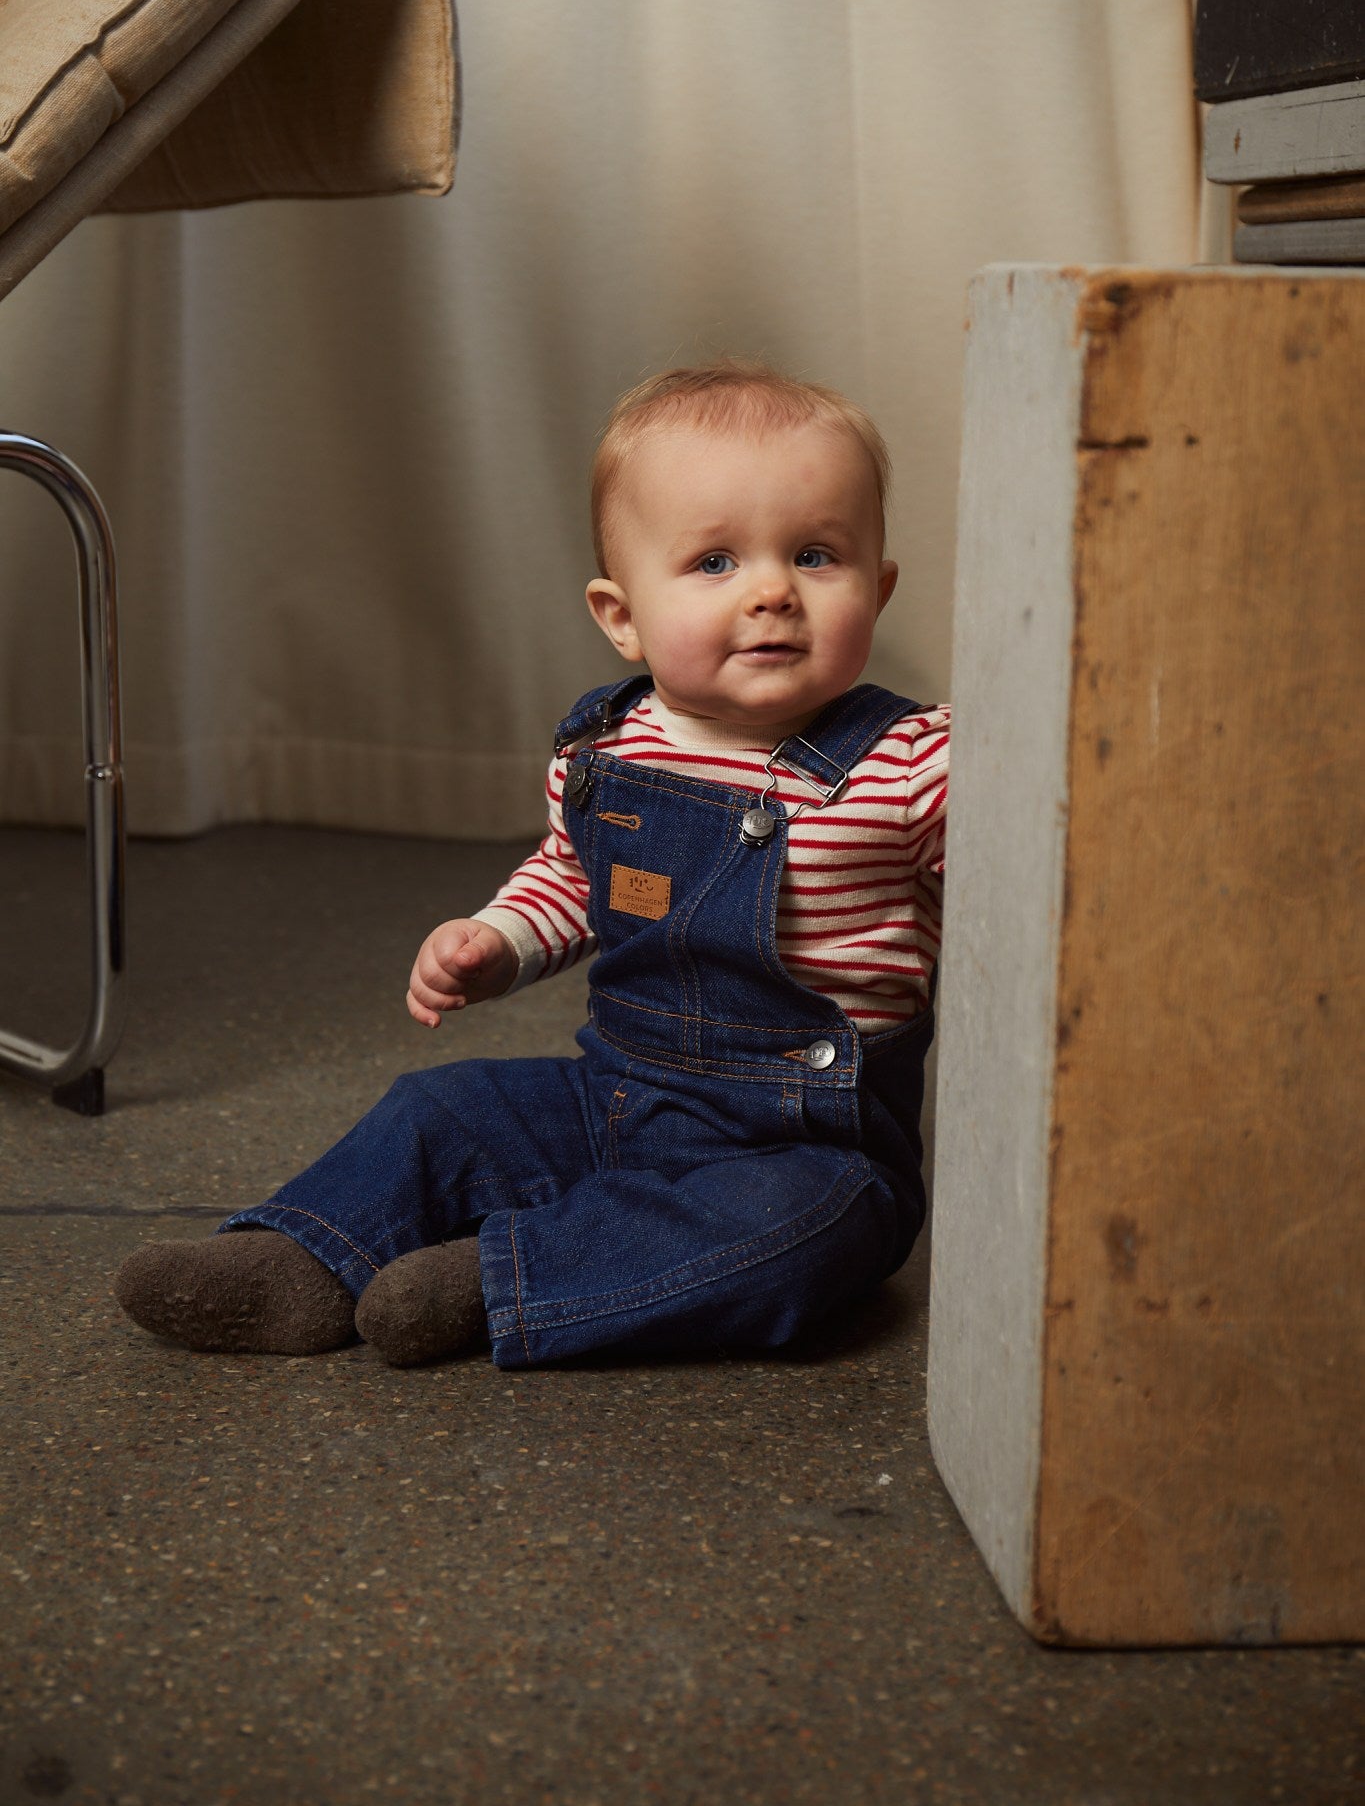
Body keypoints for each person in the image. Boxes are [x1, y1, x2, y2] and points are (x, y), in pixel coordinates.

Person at [115, 362, 950, 1370]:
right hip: (619, 1095)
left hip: (805, 1144)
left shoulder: (915, 764)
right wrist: (497, 939)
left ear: (880, 586)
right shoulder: (606, 749)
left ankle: (504, 1278)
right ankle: (303, 1257)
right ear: (622, 614)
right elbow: (570, 877)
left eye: (817, 555)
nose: (773, 590)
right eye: (717, 561)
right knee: (442, 1108)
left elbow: (1038, 871)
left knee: (805, 1238)